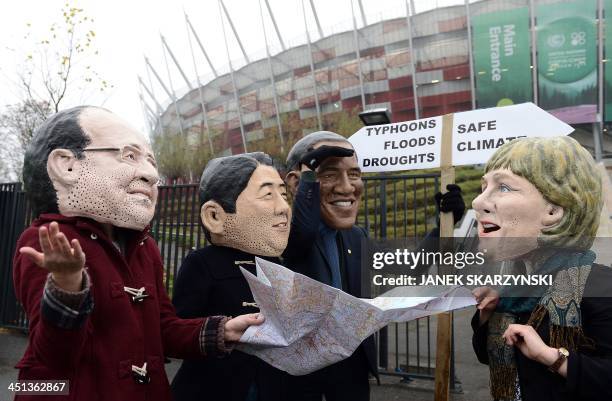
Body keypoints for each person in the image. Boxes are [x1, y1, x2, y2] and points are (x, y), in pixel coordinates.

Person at [13, 106, 262, 401]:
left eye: (151, 161)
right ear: (67, 165)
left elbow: (163, 329)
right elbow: (52, 358)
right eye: (129, 156)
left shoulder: (144, 247)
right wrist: (67, 290)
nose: (151, 175)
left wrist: (223, 331)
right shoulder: (48, 241)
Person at [282, 130, 465, 401]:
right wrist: (309, 176)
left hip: (351, 370)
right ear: (297, 184)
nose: (346, 187)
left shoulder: (357, 237)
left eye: (354, 174)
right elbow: (303, 234)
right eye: (330, 174)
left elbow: (408, 269)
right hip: (300, 375)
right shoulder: (280, 237)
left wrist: (443, 226)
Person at [471, 136, 612, 401]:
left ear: (554, 211)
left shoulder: (600, 287)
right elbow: (485, 356)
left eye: (503, 187)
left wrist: (551, 358)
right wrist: (486, 316)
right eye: (483, 186)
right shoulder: (511, 289)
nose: (478, 202)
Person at [171, 152, 291, 401]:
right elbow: (179, 330)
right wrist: (221, 332)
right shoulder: (201, 263)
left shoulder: (277, 264)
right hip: (216, 387)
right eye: (268, 195)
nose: (284, 207)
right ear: (215, 216)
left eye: (284, 194)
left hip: (270, 385)